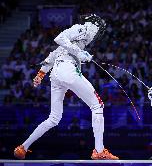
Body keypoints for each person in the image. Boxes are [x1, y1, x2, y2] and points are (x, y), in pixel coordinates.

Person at [14, 14, 119, 160]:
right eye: (99, 28)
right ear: (94, 25)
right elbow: (59, 38)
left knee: (54, 118)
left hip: (56, 74)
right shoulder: (82, 28)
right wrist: (79, 52)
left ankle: (22, 148)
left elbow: (52, 55)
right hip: (67, 70)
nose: (98, 33)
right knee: (97, 106)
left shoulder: (77, 41)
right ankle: (99, 150)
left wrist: (40, 75)